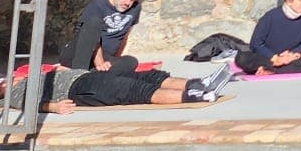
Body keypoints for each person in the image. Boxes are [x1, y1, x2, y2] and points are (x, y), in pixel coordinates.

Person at [39, 58, 230, 112]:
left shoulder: (32, 77)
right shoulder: (17, 90)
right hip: (80, 89)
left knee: (151, 76)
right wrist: (54, 107)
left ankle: (202, 83)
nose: (9, 79)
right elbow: (29, 106)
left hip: (89, 76)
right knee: (136, 90)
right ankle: (201, 95)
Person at [237, 0, 301, 75]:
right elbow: (255, 44)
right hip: (267, 57)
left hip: (288, 58)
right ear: (289, 1)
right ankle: (270, 67)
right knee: (241, 58)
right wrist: (275, 58)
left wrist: (293, 54)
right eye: (300, 0)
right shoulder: (270, 17)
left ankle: (269, 70)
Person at [65, 0, 144, 72]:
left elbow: (125, 36)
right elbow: (88, 34)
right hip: (81, 53)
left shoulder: (135, 9)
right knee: (94, 22)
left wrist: (115, 59)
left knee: (131, 61)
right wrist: (100, 63)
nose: (128, 3)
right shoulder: (98, 5)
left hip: (106, 57)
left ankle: (97, 72)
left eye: (132, 0)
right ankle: (80, 73)